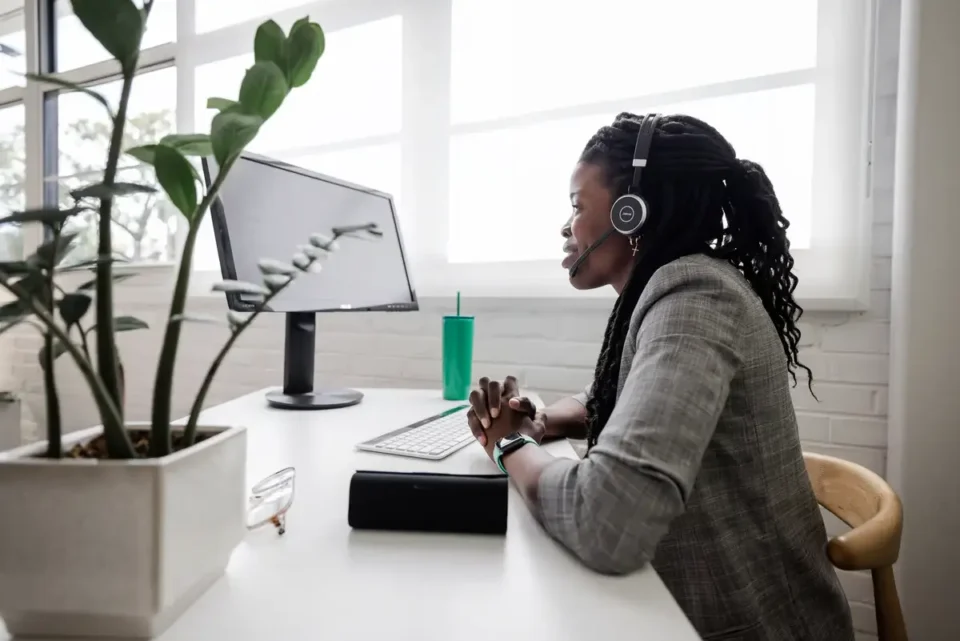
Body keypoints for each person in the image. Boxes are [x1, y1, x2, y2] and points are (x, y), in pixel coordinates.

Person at [466, 113, 855, 641]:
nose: (566, 226)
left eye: (577, 206)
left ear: (630, 212)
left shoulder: (694, 296)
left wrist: (507, 443)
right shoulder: (675, 287)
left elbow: (607, 519)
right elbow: (616, 395)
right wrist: (538, 418)